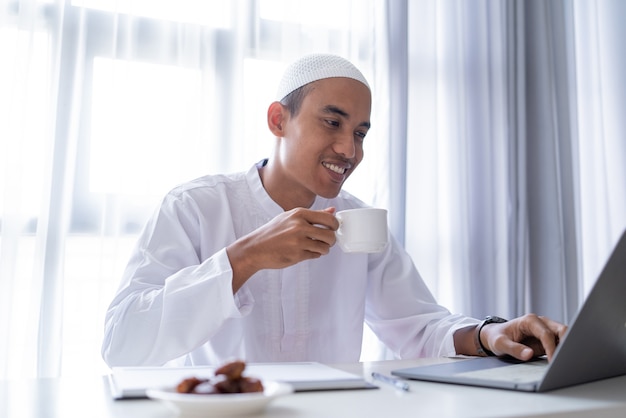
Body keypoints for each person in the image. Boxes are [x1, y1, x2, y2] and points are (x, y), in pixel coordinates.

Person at [101, 53, 567, 368]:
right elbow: (122, 344)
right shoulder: (196, 207)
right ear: (278, 120)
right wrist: (243, 260)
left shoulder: (358, 222)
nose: (349, 149)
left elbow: (420, 326)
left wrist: (491, 334)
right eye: (332, 122)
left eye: (361, 132)